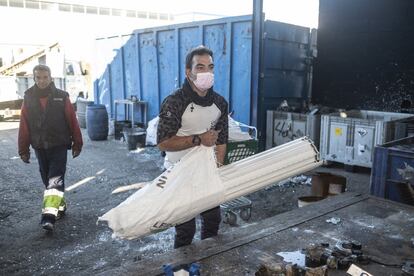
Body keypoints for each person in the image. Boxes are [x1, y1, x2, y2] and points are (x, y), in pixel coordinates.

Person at [157, 46, 229, 248]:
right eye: (200, 67)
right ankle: (183, 268)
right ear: (189, 72)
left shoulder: (220, 103)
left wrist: (219, 167)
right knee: (186, 229)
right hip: (179, 172)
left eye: (211, 67)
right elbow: (163, 142)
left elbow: (222, 139)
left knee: (213, 221)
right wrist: (198, 139)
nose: (207, 72)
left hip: (206, 172)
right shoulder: (174, 102)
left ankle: (208, 261)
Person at [18, 65, 83, 231]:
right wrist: (23, 149)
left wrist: (77, 142)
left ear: (51, 78)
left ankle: (48, 217)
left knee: (54, 180)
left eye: (45, 77)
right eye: (38, 77)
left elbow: (72, 120)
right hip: (40, 146)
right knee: (47, 179)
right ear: (34, 78)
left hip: (59, 145)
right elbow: (24, 125)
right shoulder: (28, 97)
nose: (42, 80)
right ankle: (59, 207)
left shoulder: (62, 97)